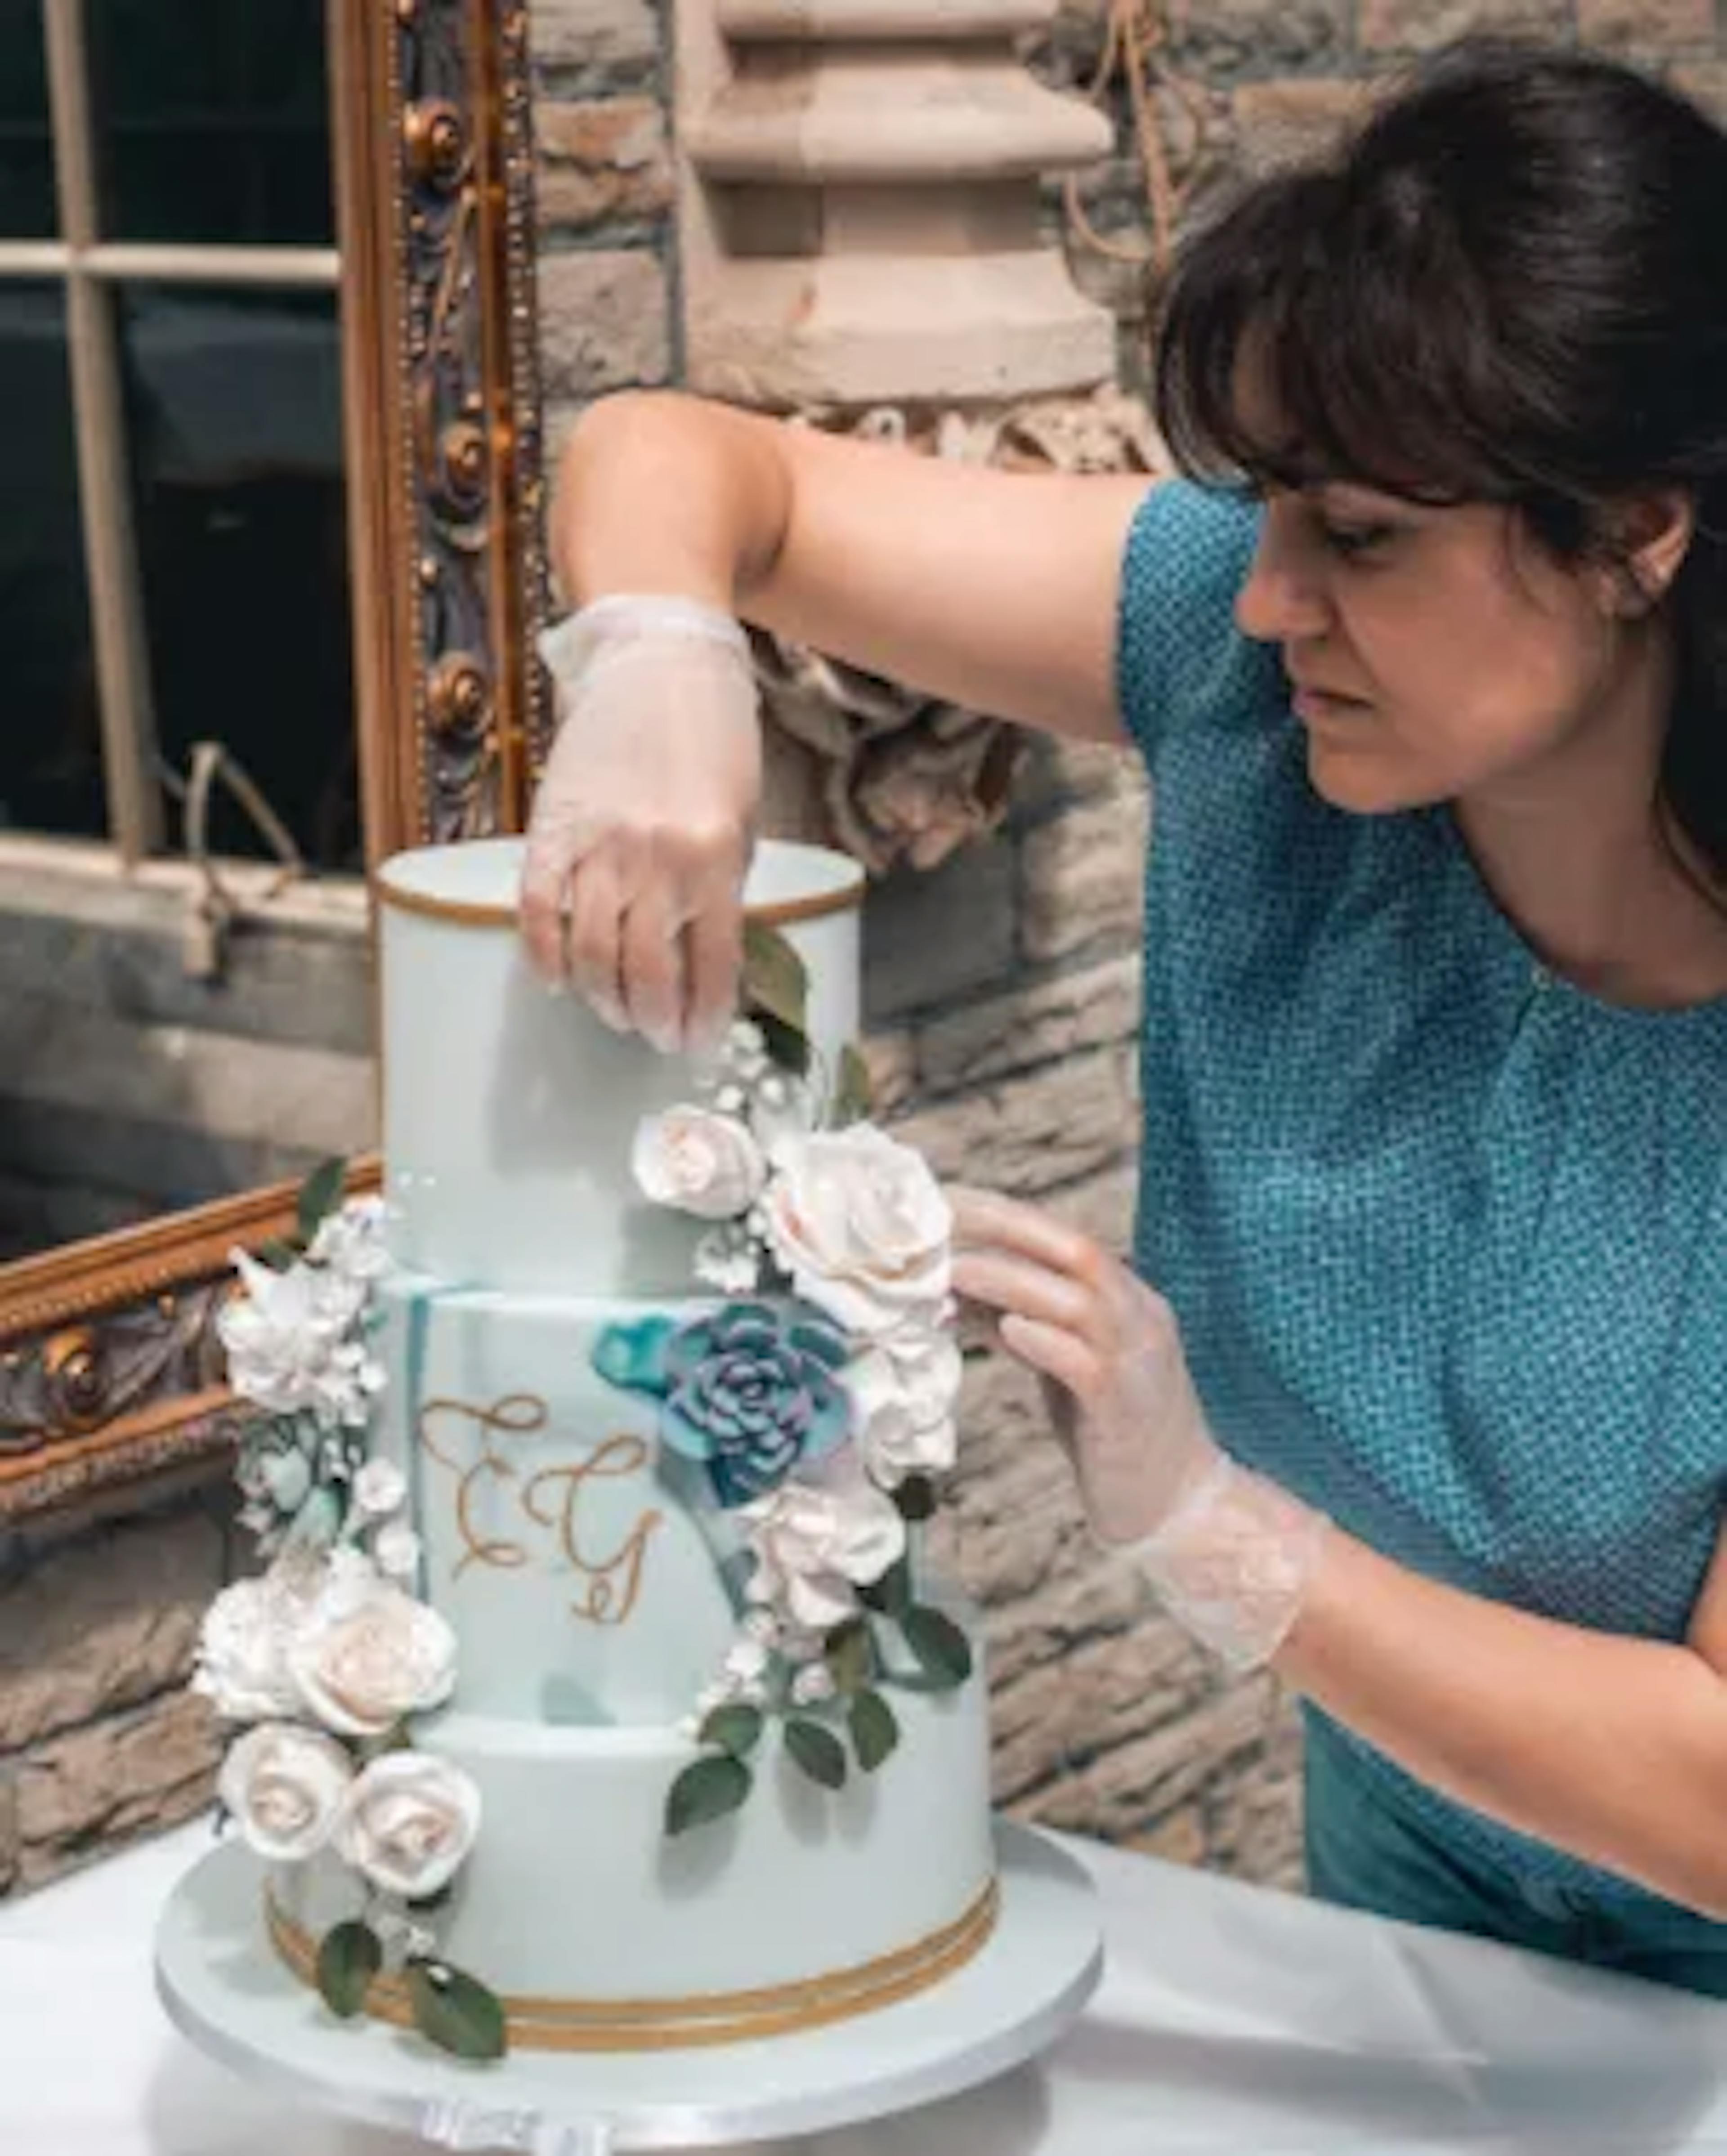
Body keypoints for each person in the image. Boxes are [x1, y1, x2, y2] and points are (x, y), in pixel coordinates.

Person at [520, 37, 1727, 1995]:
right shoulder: (1251, 682)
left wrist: (1217, 1533)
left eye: (1361, 539)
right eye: (1268, 514)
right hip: (1418, 1936)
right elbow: (678, 458)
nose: (1266, 601)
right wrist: (659, 652)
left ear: (1634, 533)